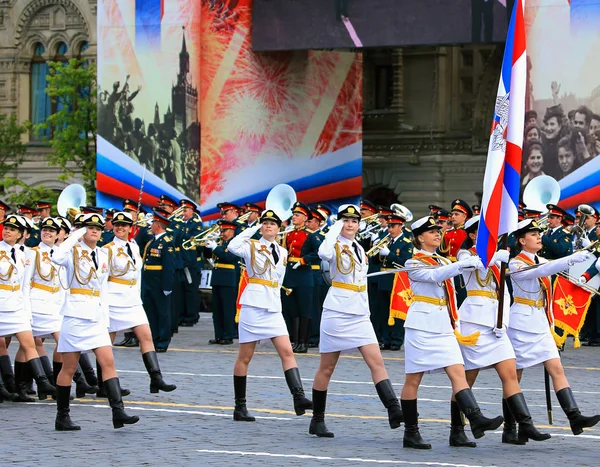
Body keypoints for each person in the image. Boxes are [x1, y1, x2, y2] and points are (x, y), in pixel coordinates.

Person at [401, 216, 503, 449]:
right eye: (431, 232)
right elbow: (437, 276)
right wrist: (466, 264)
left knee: (458, 373)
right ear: (419, 238)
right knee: (413, 379)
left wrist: (482, 260)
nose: (437, 234)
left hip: (444, 326)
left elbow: (449, 284)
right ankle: (411, 432)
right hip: (422, 327)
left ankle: (470, 423)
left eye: (438, 231)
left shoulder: (440, 259)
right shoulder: (413, 262)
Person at [309, 205, 403, 438]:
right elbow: (323, 253)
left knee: (377, 362)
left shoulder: (359, 247)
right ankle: (317, 420)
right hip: (337, 310)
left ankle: (394, 409)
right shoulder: (332, 244)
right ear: (339, 222)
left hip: (359, 312)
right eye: (345, 220)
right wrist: (334, 229)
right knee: (327, 367)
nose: (350, 224)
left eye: (354, 221)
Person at [455, 216, 550, 447]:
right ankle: (457, 430)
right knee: (467, 379)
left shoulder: (499, 258)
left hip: (496, 325)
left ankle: (523, 425)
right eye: (484, 232)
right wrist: (495, 256)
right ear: (473, 235)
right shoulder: (465, 255)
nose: (491, 236)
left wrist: (503, 323)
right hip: (474, 324)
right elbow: (470, 266)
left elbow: (505, 293)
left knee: (510, 373)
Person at [508, 218, 600, 435]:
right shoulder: (516, 263)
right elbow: (543, 270)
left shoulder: (540, 258)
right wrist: (571, 259)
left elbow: (552, 271)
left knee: (556, 368)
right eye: (532, 234)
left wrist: (581, 262)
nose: (539, 236)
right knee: (514, 376)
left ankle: (574, 417)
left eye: (538, 233)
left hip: (540, 322)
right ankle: (516, 427)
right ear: (522, 240)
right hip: (521, 324)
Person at [52, 213, 139, 431]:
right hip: (75, 315)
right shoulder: (71, 252)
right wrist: (75, 235)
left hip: (97, 316)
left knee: (108, 362)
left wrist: (106, 317)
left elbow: (102, 289)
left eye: (98, 228)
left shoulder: (102, 254)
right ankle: (62, 416)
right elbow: (56, 256)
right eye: (89, 227)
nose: (94, 231)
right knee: (69, 368)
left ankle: (118, 412)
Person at [227, 209, 312, 422]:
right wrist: (253, 227)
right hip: (254, 305)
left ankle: (298, 397)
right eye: (265, 223)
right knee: (245, 357)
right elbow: (231, 246)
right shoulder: (250, 246)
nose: (268, 226)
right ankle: (240, 406)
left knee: (287, 352)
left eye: (272, 224)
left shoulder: (283, 252)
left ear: (279, 228)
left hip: (273, 306)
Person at [101, 211, 176, 394]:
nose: (120, 228)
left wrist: (138, 296)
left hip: (132, 299)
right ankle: (105, 384)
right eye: (117, 225)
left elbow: (137, 274)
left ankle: (156, 378)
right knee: (105, 343)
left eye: (124, 225)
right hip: (113, 298)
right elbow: (102, 279)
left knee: (146, 337)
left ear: (130, 228)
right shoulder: (107, 249)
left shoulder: (134, 246)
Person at [0, 215, 56, 401]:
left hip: (16, 304)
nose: (7, 231)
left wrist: (26, 309)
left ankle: (40, 382)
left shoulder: (23, 253)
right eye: (6, 227)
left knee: (28, 343)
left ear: (20, 235)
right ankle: (5, 386)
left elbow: (24, 284)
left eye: (12, 229)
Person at [374, 213, 413, 351]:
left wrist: (388, 255)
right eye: (389, 226)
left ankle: (396, 340)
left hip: (397, 279)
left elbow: (405, 262)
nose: (390, 229)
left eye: (393, 226)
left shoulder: (406, 243)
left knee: (396, 310)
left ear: (401, 226)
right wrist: (376, 250)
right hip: (383, 277)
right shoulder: (385, 241)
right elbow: (376, 261)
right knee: (383, 310)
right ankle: (385, 339)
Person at [281, 202, 314, 353]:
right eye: (294, 214)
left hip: (304, 273)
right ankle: (294, 340)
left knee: (304, 308)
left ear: (305, 218)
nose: (294, 217)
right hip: (290, 272)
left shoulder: (310, 235)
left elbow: (319, 253)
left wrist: (303, 260)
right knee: (292, 308)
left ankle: (304, 342)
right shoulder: (288, 234)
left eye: (297, 215)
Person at [141, 213, 175, 353]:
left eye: (153, 223)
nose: (151, 225)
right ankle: (153, 338)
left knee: (162, 312)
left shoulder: (166, 242)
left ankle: (162, 341)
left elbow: (169, 266)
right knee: (150, 312)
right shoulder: (152, 241)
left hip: (159, 282)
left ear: (158, 225)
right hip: (149, 281)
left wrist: (167, 286)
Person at [205, 220, 239, 345]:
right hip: (217, 277)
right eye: (221, 230)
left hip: (228, 279)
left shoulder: (235, 244)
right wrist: (207, 245)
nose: (221, 233)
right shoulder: (221, 243)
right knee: (217, 310)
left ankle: (228, 335)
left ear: (231, 231)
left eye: (224, 231)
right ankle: (218, 335)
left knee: (227, 309)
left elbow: (229, 257)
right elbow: (208, 256)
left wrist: (215, 248)